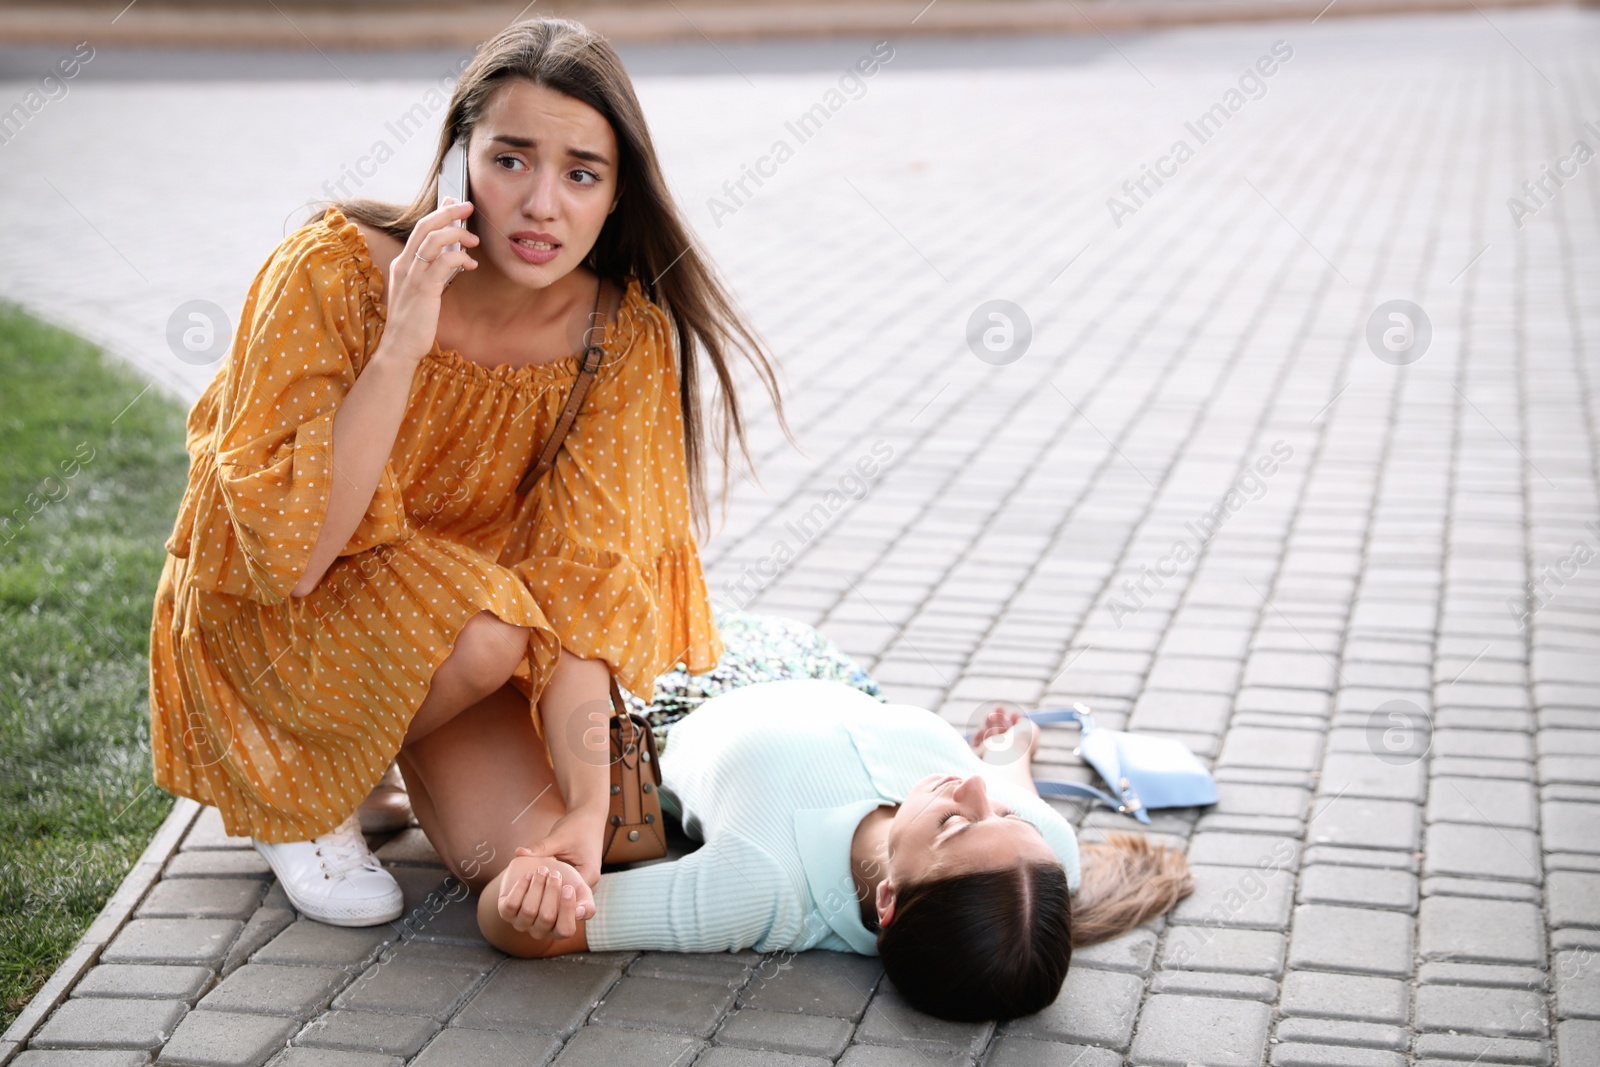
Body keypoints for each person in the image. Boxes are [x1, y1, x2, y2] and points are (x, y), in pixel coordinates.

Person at [146, 17, 793, 927]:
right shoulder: (331, 274)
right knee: (489, 624)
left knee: (545, 862)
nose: (542, 205)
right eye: (511, 159)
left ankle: (367, 754)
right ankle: (293, 784)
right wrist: (403, 340)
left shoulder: (621, 339)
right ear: (458, 163)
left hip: (452, 631)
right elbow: (293, 553)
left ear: (616, 197)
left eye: (581, 174)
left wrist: (586, 809)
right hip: (277, 616)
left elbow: (581, 582)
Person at [473, 679, 1195, 1022]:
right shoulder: (1043, 861)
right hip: (821, 669)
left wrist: (527, 889)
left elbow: (534, 930)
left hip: (678, 688)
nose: (973, 790)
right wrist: (1012, 746)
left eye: (955, 825)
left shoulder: (762, 884)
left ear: (888, 899)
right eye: (1001, 815)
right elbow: (1003, 785)